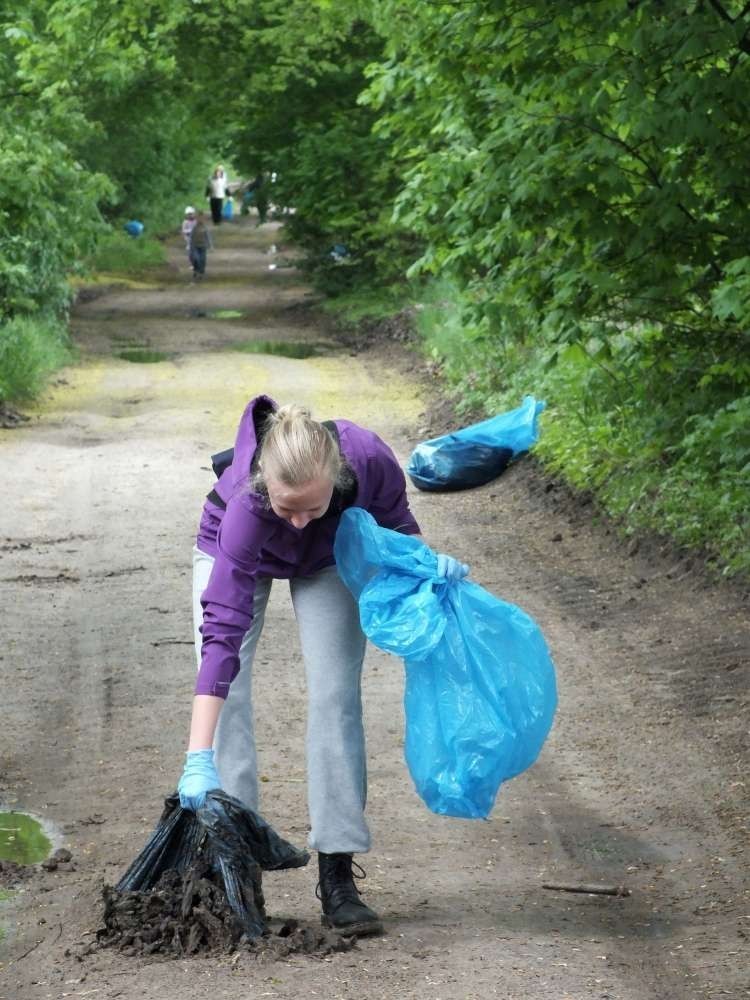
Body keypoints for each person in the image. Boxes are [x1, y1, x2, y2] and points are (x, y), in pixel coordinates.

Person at [177, 396, 469, 936]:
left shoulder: (369, 462)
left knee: (336, 696)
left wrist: (427, 568)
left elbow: (397, 530)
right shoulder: (246, 504)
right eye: (286, 508)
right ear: (266, 485)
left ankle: (338, 873)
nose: (296, 521)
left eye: (310, 507)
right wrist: (198, 756)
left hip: (330, 558)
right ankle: (236, 872)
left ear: (336, 478)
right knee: (229, 693)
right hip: (240, 554)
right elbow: (220, 636)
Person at [188, 210, 212, 281]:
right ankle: (196, 270)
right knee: (196, 259)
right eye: (199, 218)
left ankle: (201, 272)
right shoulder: (194, 227)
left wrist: (210, 245)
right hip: (195, 246)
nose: (200, 220)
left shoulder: (205, 228)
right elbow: (191, 237)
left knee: (203, 260)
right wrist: (190, 246)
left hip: (203, 246)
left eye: (202, 218)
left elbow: (208, 237)